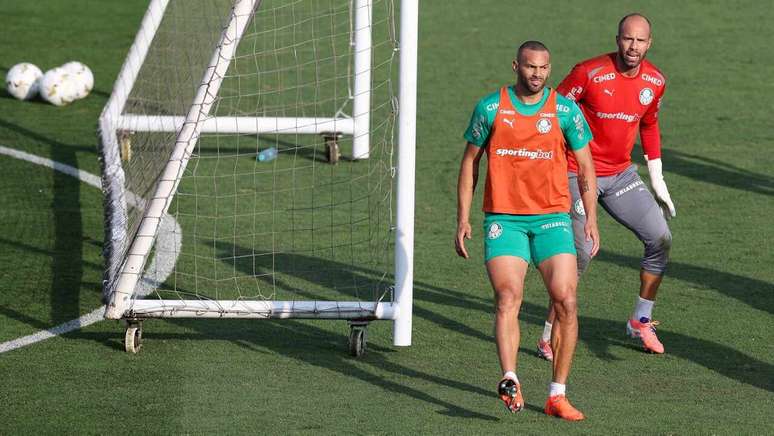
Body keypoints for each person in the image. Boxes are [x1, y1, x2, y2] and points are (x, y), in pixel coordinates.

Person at [456, 40, 599, 421]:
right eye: (530, 67)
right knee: (508, 297)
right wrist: (463, 217)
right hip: (505, 219)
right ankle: (510, 378)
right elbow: (470, 163)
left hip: (553, 218)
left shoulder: (565, 111)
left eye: (543, 68)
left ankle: (557, 394)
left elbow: (586, 168)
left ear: (550, 70)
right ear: (516, 66)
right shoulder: (490, 108)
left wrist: (591, 220)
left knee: (566, 300)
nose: (536, 74)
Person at [537, 13, 675, 360]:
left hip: (621, 175)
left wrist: (656, 176)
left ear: (649, 44)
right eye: (628, 39)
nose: (633, 46)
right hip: (576, 172)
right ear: (617, 40)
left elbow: (650, 124)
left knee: (660, 238)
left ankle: (640, 321)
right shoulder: (590, 73)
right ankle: (547, 334)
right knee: (581, 252)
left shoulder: (655, 81)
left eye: (640, 41)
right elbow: (552, 110)